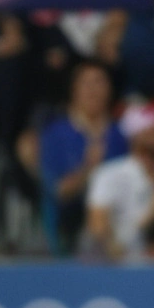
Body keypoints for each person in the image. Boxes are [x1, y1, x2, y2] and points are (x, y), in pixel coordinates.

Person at [85, 104, 154, 262]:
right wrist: (149, 217)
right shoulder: (109, 174)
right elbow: (98, 232)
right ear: (137, 134)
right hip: (127, 269)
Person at [39, 61, 128, 254]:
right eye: (86, 83)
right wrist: (89, 168)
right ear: (74, 89)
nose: (93, 90)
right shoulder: (56, 134)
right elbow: (58, 191)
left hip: (118, 220)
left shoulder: (121, 135)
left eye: (99, 82)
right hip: (72, 220)